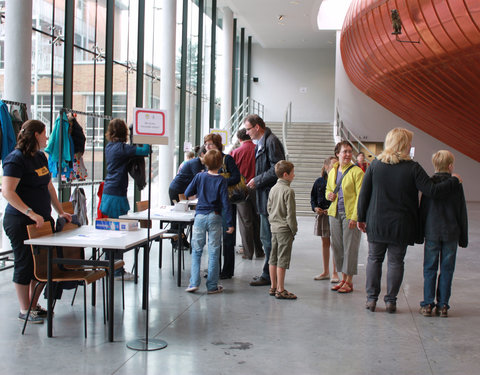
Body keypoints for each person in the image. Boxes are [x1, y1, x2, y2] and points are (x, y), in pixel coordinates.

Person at [357, 128, 462, 313]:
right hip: (401, 225)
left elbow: (364, 194)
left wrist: (361, 217)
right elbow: (433, 191)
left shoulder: (375, 165)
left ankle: (371, 300)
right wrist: (454, 180)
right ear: (404, 145)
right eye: (409, 143)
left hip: (377, 222)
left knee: (374, 259)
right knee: (396, 262)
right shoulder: (413, 168)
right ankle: (390, 301)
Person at [2, 120, 72, 324]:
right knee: (25, 263)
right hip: (20, 221)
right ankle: (25, 309)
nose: (47, 138)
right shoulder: (15, 159)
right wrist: (30, 212)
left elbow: (49, 186)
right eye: (44, 134)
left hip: (42, 222)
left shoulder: (40, 157)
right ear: (35, 135)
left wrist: (60, 211)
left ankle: (34, 304)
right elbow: (7, 191)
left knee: (42, 265)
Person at [419, 150, 468, 318]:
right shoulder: (456, 185)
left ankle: (427, 304)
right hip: (451, 233)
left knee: (429, 268)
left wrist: (421, 232)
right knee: (447, 269)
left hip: (432, 232)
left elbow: (423, 210)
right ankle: (443, 306)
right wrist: (464, 237)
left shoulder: (429, 184)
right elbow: (462, 211)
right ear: (450, 166)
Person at [99, 118, 149, 280]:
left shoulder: (110, 147)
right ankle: (116, 271)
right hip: (116, 195)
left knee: (113, 232)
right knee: (117, 233)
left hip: (110, 193)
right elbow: (145, 150)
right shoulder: (121, 149)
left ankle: (112, 267)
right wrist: (144, 135)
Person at [184, 149, 234, 294]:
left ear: (205, 162)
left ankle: (193, 282)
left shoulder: (199, 176)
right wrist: (229, 223)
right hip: (215, 217)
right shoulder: (221, 180)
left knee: (197, 251)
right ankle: (212, 286)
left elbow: (187, 193)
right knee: (213, 252)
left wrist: (198, 193)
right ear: (220, 164)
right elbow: (226, 203)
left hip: (199, 216)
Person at [245, 114, 286, 287]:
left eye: (248, 129)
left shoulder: (271, 141)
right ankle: (268, 273)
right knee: (266, 238)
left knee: (268, 238)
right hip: (264, 197)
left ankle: (269, 276)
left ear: (257, 127)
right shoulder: (263, 142)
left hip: (269, 198)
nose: (247, 133)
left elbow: (278, 168)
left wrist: (258, 180)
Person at [326, 141, 364, 294]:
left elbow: (361, 197)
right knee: (338, 247)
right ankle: (343, 278)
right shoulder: (333, 170)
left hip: (350, 215)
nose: (348, 154)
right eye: (344, 152)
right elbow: (329, 189)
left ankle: (349, 281)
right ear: (337, 154)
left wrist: (355, 217)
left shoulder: (357, 172)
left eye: (350, 151)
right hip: (334, 213)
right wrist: (328, 195)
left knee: (350, 248)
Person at [204, 133, 240, 280]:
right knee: (213, 238)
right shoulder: (206, 160)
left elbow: (236, 177)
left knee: (228, 237)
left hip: (228, 203)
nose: (207, 147)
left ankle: (227, 270)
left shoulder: (227, 159)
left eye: (210, 144)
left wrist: (221, 181)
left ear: (218, 145)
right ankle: (214, 269)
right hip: (213, 204)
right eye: (206, 144)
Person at [230, 128, 264, 260]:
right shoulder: (258, 150)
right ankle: (259, 250)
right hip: (257, 187)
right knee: (257, 219)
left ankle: (248, 252)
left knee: (245, 221)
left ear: (239, 139)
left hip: (241, 190)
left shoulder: (235, 152)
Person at [267, 160, 298, 299]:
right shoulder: (288, 191)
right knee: (282, 259)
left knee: (272, 258)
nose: (294, 175)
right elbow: (290, 214)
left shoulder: (273, 189)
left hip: (274, 227)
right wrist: (294, 229)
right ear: (286, 174)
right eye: (292, 173)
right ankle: (281, 289)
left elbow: (269, 208)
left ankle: (273, 286)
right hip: (284, 229)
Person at [169, 146, 206, 249]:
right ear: (202, 154)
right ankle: (176, 242)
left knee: (181, 217)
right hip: (176, 189)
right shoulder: (195, 163)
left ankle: (183, 240)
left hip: (183, 191)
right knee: (177, 217)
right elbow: (198, 180)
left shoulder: (202, 164)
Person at [310, 156, 339, 283]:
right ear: (326, 166)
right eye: (333, 165)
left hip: (334, 214)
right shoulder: (319, 181)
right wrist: (315, 207)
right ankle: (326, 271)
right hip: (322, 215)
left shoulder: (339, 181)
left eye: (337, 165)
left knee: (335, 244)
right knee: (325, 243)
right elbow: (313, 197)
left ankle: (335, 272)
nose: (335, 167)